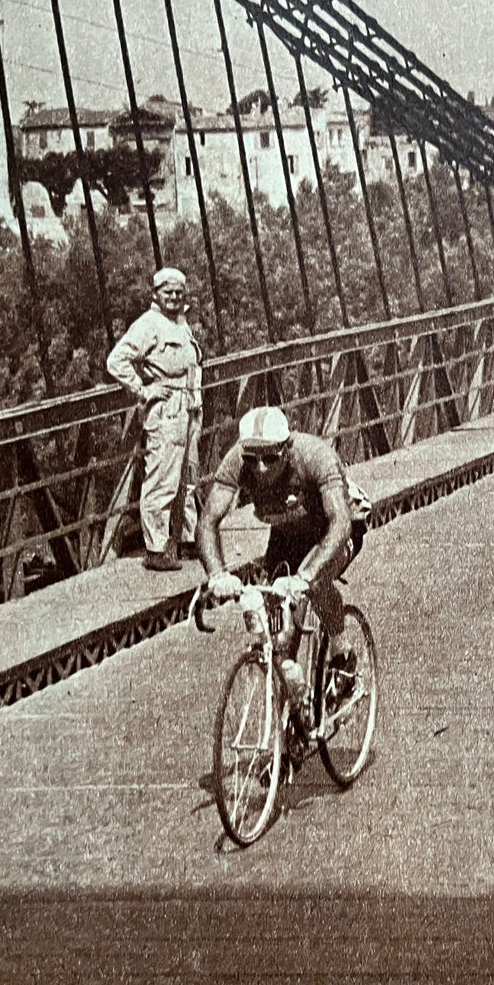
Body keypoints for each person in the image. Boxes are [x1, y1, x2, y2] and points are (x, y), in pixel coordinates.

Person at [199, 406, 369, 712]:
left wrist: (305, 578)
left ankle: (343, 653)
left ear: (287, 449)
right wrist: (216, 575)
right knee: (276, 627)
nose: (260, 468)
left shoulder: (315, 456)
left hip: (333, 529)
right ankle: (291, 713)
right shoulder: (238, 460)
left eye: (270, 458)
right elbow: (208, 521)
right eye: (252, 459)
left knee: (313, 583)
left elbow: (340, 523)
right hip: (287, 532)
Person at [107, 266, 203, 571]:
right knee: (162, 477)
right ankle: (157, 548)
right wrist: (143, 390)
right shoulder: (148, 325)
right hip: (167, 409)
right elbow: (116, 361)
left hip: (188, 405)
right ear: (155, 294)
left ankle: (186, 540)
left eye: (179, 293)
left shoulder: (179, 322)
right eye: (168, 293)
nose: (174, 298)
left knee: (187, 478)